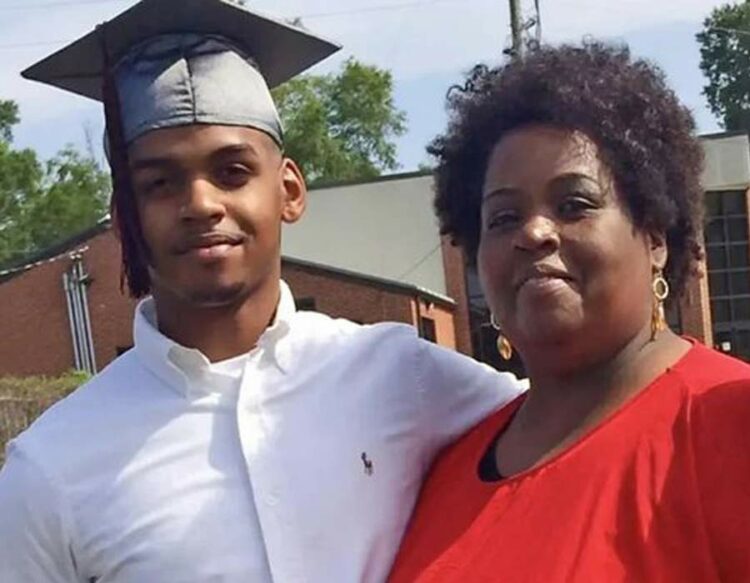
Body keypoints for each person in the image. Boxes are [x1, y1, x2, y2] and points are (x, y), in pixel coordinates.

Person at [0, 1, 523, 581]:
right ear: (124, 219)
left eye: (232, 172)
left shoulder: (400, 376)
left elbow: (568, 431)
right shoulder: (51, 469)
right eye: (159, 183)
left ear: (290, 191)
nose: (201, 204)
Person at [389, 42, 750, 582]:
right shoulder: (445, 467)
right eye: (503, 217)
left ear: (655, 237)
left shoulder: (729, 424)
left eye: (574, 205)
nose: (534, 232)